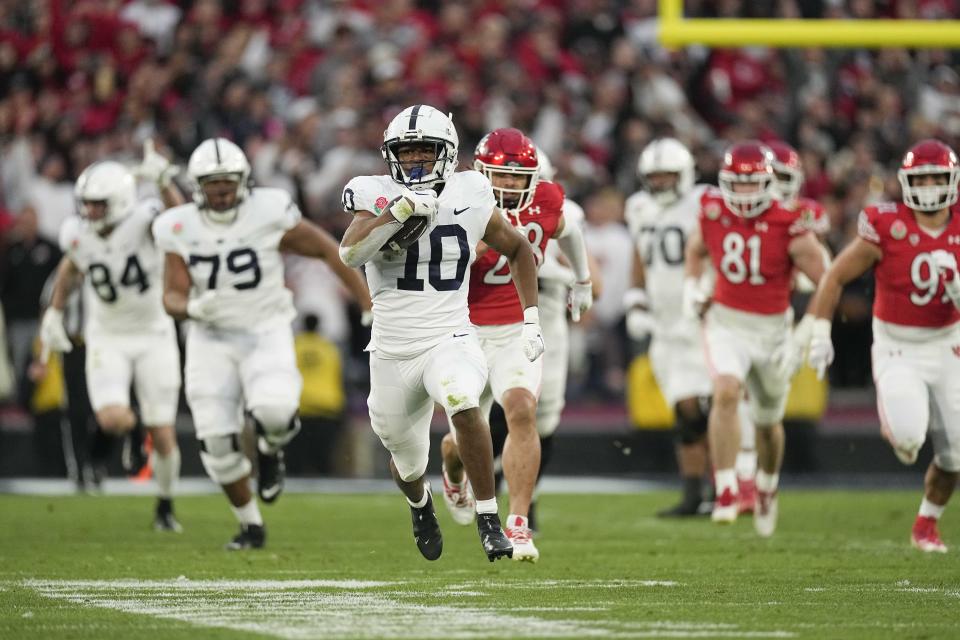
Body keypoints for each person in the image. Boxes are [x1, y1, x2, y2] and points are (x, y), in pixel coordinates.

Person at [338, 105, 543, 562]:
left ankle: (490, 520)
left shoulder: (471, 190)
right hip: (391, 349)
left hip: (450, 333)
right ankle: (420, 504)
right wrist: (397, 212)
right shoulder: (375, 192)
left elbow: (517, 248)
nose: (414, 162)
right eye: (405, 152)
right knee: (407, 461)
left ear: (446, 154)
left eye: (424, 152)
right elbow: (350, 253)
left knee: (463, 399)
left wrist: (531, 318)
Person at [152, 136, 372, 550]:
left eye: (227, 182)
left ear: (244, 181)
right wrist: (195, 307)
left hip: (264, 330)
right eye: (211, 183)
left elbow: (328, 249)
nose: (220, 191)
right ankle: (251, 525)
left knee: (274, 411)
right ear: (197, 185)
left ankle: (270, 451)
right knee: (216, 442)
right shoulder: (178, 225)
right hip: (209, 340)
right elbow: (171, 295)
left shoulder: (268, 212)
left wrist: (365, 301)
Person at [435, 128, 593, 563]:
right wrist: (481, 239)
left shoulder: (545, 199)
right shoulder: (457, 200)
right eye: (498, 177)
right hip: (462, 329)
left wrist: (582, 279)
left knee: (523, 409)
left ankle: (518, 525)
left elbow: (568, 229)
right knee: (461, 439)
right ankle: (452, 471)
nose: (506, 186)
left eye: (516, 176)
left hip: (513, 329)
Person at [806, 139, 960, 553]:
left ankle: (926, 523)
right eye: (921, 178)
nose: (928, 186)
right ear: (906, 182)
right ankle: (899, 420)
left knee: (956, 455)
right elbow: (835, 276)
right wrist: (820, 331)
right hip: (899, 346)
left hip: (950, 344)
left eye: (936, 177)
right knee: (909, 441)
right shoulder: (886, 224)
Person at [39, 141, 186, 530]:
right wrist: (55, 311)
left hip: (154, 333)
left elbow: (182, 220)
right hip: (107, 335)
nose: (89, 212)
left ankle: (165, 506)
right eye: (86, 203)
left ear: (120, 201)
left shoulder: (144, 220)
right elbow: (71, 267)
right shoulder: (77, 232)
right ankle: (134, 431)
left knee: (165, 432)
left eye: (98, 204)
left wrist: (164, 180)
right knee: (112, 418)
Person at [684, 141, 826, 537]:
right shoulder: (713, 211)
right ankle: (727, 487)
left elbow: (827, 279)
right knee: (726, 391)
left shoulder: (790, 221)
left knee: (767, 422)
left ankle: (766, 485)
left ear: (769, 183)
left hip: (773, 331)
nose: (744, 194)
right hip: (726, 322)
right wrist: (692, 286)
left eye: (753, 185)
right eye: (737, 184)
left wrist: (810, 326)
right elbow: (695, 249)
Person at [623, 137, 715, 517]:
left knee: (716, 407)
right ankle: (695, 494)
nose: (660, 183)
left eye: (667, 175)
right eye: (654, 176)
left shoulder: (705, 202)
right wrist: (636, 298)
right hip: (664, 322)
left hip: (704, 318)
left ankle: (732, 488)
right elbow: (640, 254)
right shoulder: (638, 207)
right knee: (685, 411)